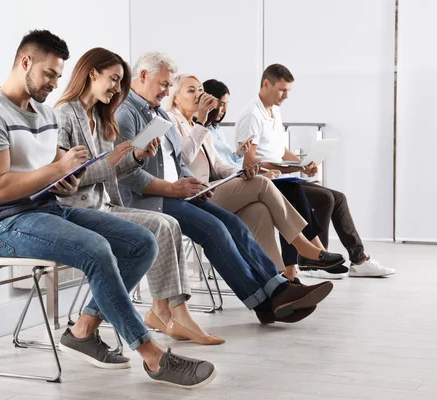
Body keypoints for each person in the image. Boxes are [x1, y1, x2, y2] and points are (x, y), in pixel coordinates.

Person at [0, 30, 216, 388]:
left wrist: (62, 178)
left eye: (59, 76)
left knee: (143, 241)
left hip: (48, 210)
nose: (54, 83)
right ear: (25, 63)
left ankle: (82, 331)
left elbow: (49, 169)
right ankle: (152, 355)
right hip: (7, 225)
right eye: (49, 74)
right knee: (97, 249)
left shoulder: (41, 113)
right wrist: (58, 170)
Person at [115, 51, 335, 325]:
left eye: (169, 85)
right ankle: (264, 301)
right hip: (151, 199)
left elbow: (178, 163)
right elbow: (126, 176)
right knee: (215, 230)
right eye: (164, 84)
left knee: (234, 223)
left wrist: (193, 184)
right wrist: (174, 188)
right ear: (143, 76)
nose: (166, 91)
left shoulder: (159, 114)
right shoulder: (125, 115)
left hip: (179, 192)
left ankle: (277, 288)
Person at [54, 47, 223, 345]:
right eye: (114, 80)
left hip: (104, 205)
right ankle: (165, 314)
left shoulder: (102, 117)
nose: (118, 88)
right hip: (76, 210)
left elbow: (113, 171)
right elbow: (66, 180)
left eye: (121, 82)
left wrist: (137, 156)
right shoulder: (64, 115)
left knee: (167, 223)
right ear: (92, 73)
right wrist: (112, 163)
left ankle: (172, 312)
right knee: (159, 226)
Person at [165, 74, 345, 281]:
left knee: (259, 210)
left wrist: (241, 173)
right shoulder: (172, 120)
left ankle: (277, 279)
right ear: (175, 97)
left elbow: (218, 165)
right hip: (192, 195)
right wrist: (202, 123)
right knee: (262, 183)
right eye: (191, 90)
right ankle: (303, 247)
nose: (198, 94)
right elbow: (183, 158)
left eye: (199, 90)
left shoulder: (196, 125)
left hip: (212, 189)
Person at [235, 64, 396, 278]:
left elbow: (279, 150)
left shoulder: (275, 111)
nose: (285, 96)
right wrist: (292, 167)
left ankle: (358, 259)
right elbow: (250, 161)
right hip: (265, 182)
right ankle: (317, 260)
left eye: (288, 91)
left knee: (338, 198)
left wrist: (302, 163)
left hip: (282, 177)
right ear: (266, 84)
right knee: (324, 198)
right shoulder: (252, 115)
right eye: (282, 90)